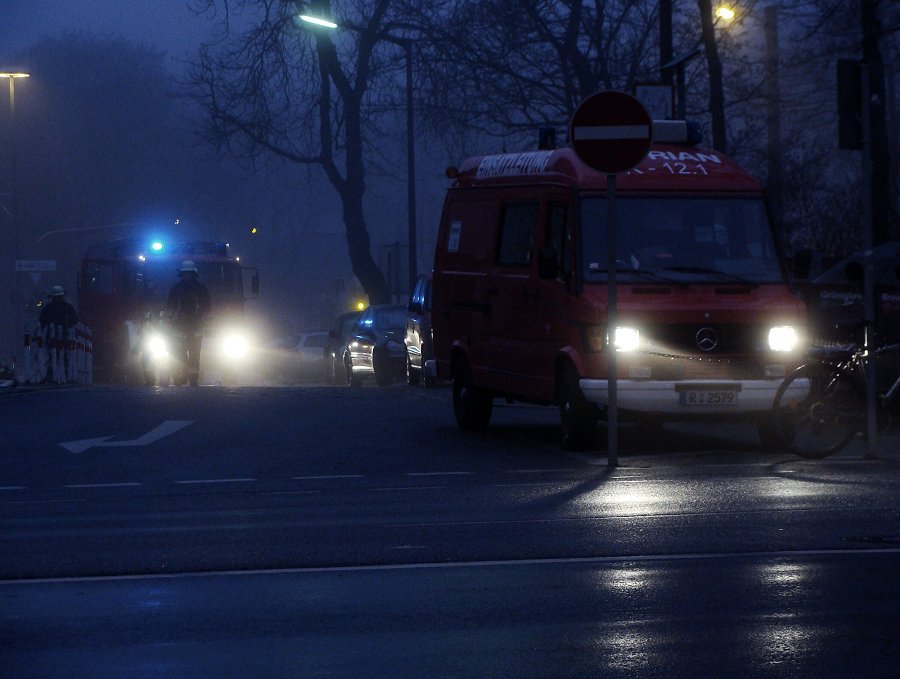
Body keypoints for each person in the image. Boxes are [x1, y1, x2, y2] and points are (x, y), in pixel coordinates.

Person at [167, 260, 211, 386]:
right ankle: (181, 376)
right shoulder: (176, 289)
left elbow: (207, 307)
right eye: (185, 273)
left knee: (194, 356)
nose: (187, 275)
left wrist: (203, 319)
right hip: (179, 329)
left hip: (196, 329)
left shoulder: (201, 289)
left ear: (193, 274)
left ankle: (193, 380)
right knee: (180, 355)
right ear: (182, 274)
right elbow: (170, 307)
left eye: (189, 273)